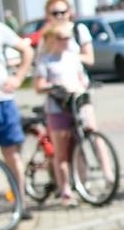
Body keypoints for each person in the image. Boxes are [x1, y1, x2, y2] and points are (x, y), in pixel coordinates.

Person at [32, 21, 93, 207]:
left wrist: (83, 87)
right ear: (51, 39)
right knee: (61, 153)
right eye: (61, 38)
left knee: (80, 146)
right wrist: (55, 87)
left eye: (69, 37)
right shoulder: (45, 60)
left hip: (75, 106)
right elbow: (38, 86)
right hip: (57, 109)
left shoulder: (72, 56)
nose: (66, 41)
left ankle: (82, 184)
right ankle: (65, 191)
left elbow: (81, 78)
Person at [0, 16, 35, 220]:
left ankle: (21, 202)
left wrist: (18, 78)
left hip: (3, 101)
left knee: (12, 154)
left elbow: (27, 50)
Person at [41, 0, 94, 70]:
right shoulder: (46, 33)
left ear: (69, 12)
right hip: (52, 77)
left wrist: (66, 57)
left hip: (76, 77)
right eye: (55, 13)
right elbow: (40, 58)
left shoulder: (79, 29)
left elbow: (90, 59)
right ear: (48, 14)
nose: (59, 16)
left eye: (63, 12)